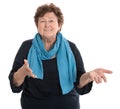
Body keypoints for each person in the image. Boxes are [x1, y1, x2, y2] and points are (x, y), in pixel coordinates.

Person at [8, 3, 112, 109]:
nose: (47, 25)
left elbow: (79, 83)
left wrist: (89, 76)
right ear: (37, 25)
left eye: (51, 21)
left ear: (59, 25)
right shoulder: (26, 47)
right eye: (42, 21)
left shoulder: (71, 48)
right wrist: (23, 72)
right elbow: (14, 85)